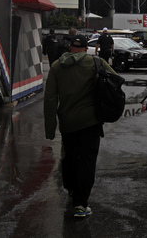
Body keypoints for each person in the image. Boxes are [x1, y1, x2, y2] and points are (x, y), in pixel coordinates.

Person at [44, 35, 116, 218]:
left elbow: (50, 99)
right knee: (86, 161)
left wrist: (50, 129)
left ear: (69, 47)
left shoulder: (56, 66)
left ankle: (70, 188)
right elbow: (115, 80)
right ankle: (81, 205)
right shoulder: (95, 63)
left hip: (67, 122)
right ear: (86, 49)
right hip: (90, 122)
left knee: (69, 157)